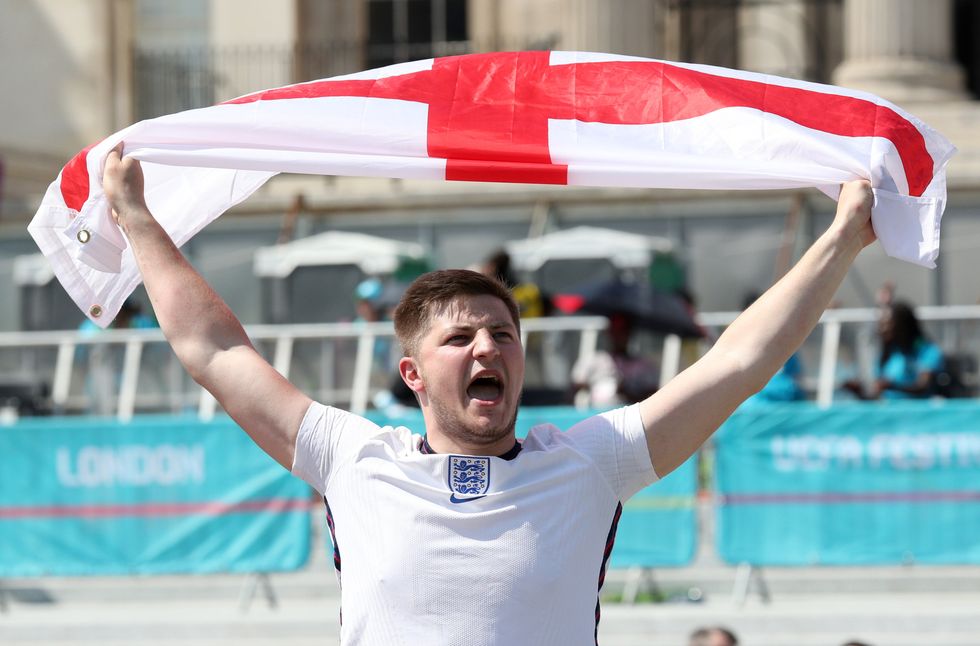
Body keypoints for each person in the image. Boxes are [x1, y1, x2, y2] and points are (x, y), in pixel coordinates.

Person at [101, 142, 874, 645]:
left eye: (503, 335)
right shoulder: (352, 458)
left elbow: (736, 363)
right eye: (461, 338)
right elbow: (214, 348)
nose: (488, 348)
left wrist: (841, 238)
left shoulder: (590, 462)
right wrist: (138, 220)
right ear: (412, 374)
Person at [844, 300, 943, 399]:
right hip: (889, 413)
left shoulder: (928, 351)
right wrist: (859, 392)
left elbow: (922, 387)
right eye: (881, 324)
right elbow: (878, 397)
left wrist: (893, 386)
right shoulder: (888, 354)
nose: (883, 329)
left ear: (904, 324)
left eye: (888, 324)